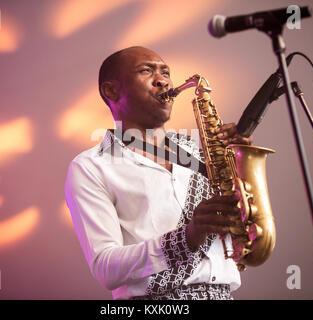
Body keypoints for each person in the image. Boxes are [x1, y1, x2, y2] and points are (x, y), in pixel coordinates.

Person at [65, 46, 252, 300]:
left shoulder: (203, 154)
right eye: (146, 70)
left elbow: (246, 242)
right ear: (111, 91)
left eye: (166, 72)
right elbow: (105, 268)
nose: (162, 80)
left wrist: (240, 164)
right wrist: (188, 236)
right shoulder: (90, 166)